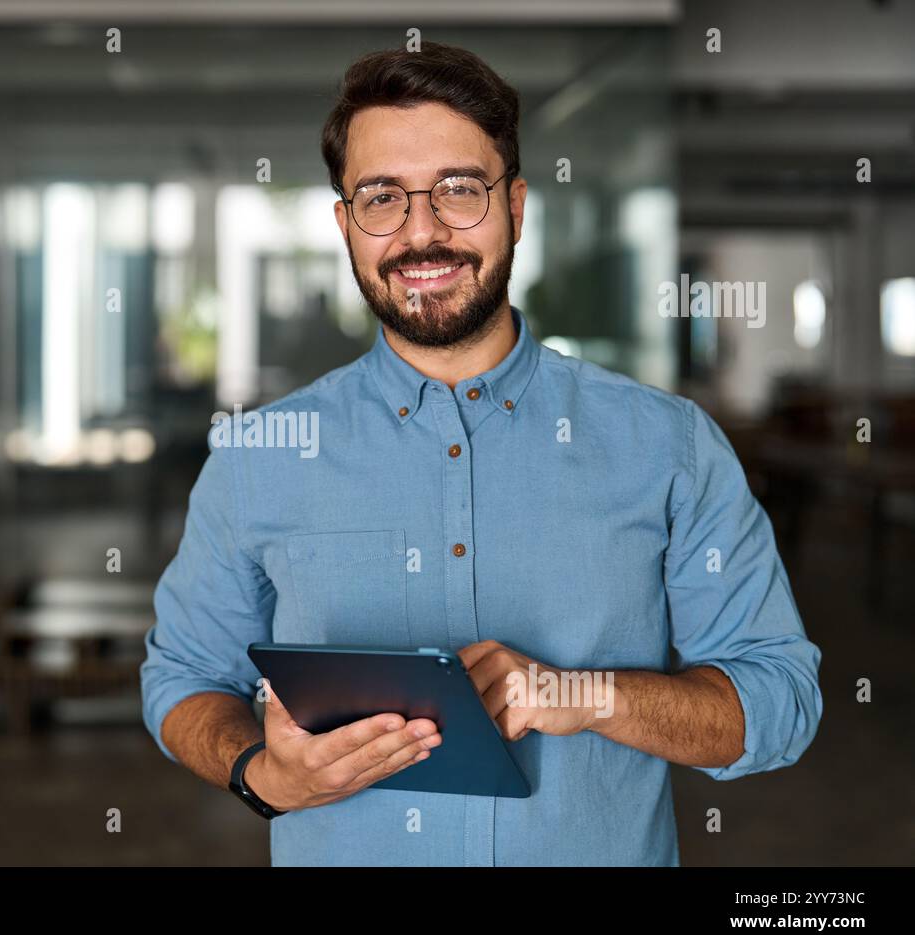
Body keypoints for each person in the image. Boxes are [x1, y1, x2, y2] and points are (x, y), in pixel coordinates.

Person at [140, 41, 822, 866]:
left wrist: (586, 694)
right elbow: (182, 679)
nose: (421, 233)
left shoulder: (666, 447)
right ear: (345, 224)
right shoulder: (260, 457)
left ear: (518, 206)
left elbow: (780, 700)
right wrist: (261, 775)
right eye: (382, 197)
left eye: (459, 190)